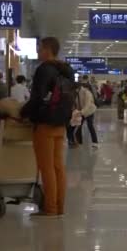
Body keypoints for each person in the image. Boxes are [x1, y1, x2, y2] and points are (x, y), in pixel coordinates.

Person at [20, 37, 73, 217]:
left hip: (44, 123)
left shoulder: (44, 70)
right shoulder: (66, 70)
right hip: (61, 123)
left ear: (48, 49)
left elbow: (37, 98)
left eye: (40, 48)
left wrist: (22, 112)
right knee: (58, 166)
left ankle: (50, 208)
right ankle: (60, 206)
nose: (38, 51)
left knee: (46, 166)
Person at [67, 82, 98, 149]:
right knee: (78, 126)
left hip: (89, 111)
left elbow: (88, 105)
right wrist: (75, 110)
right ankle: (79, 142)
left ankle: (95, 142)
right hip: (81, 111)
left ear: (78, 88)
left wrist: (81, 112)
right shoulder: (75, 93)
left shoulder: (87, 93)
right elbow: (76, 103)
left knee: (90, 125)